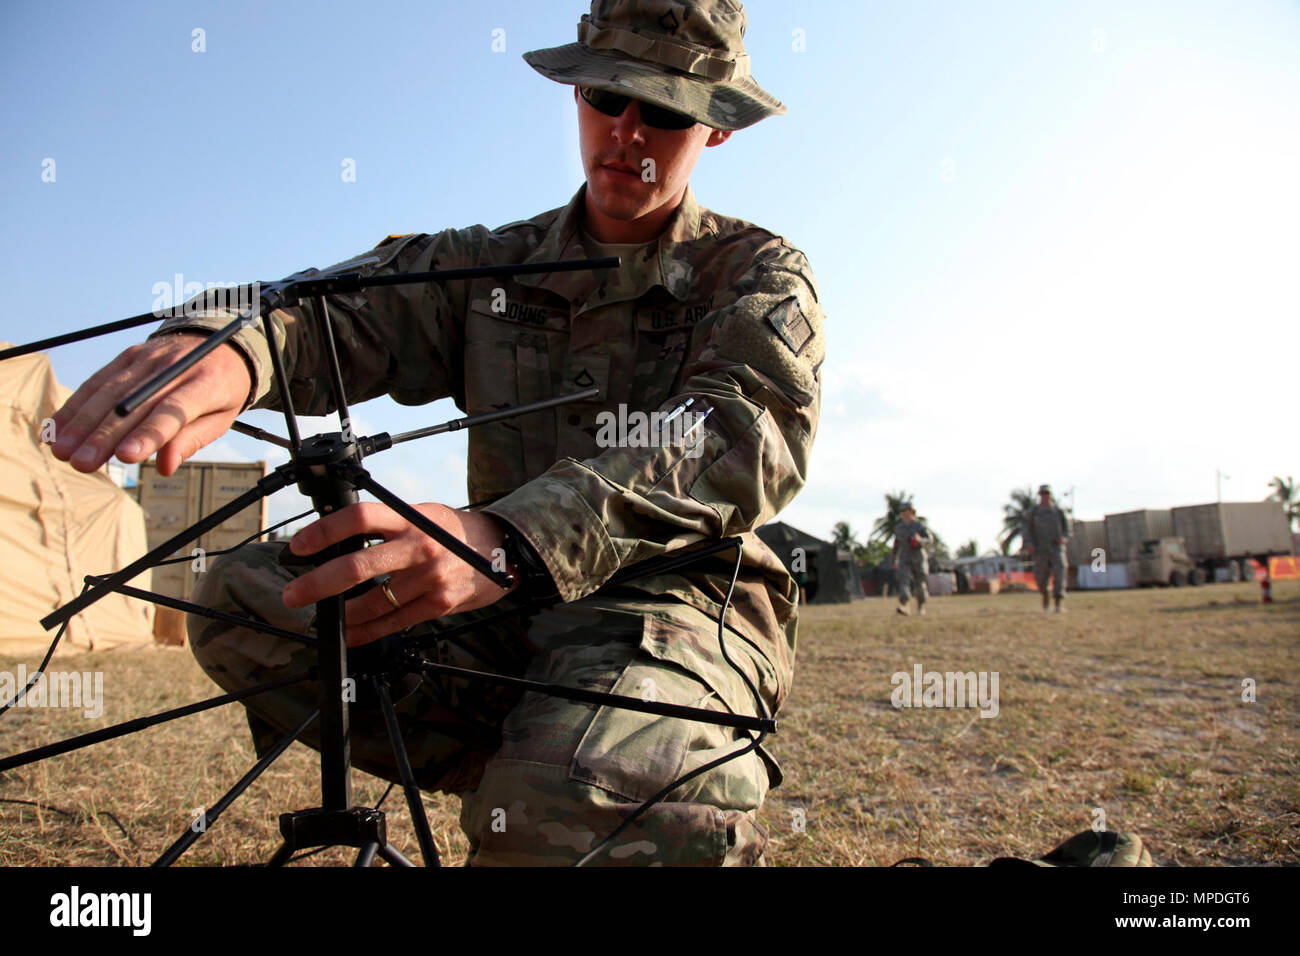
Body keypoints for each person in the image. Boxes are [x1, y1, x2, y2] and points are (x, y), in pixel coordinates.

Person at [46, 0, 823, 866]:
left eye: (667, 110)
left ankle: (592, 783)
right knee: (243, 602)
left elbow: (743, 430)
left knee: (583, 795)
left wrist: (507, 540)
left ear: (715, 128)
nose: (628, 130)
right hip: (494, 617)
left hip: (675, 613)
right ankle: (546, 763)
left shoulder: (757, 273)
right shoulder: (488, 263)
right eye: (606, 97)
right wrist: (232, 346)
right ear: (576, 96)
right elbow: (328, 309)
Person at [1023, 484, 1070, 612]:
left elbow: (1068, 529)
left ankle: (1058, 604)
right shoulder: (1033, 512)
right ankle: (1045, 597)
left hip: (1056, 548)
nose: (1045, 496)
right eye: (1043, 494)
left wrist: (1064, 538)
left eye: (1047, 493)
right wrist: (1029, 544)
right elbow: (1027, 530)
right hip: (1039, 549)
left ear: (1051, 495)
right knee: (1041, 577)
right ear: (1039, 495)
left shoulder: (1059, 512)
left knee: (1060, 574)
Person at [891, 502, 930, 616]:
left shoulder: (919, 526)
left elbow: (929, 540)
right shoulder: (899, 527)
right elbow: (896, 544)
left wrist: (920, 540)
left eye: (906, 510)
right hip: (905, 557)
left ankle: (920, 606)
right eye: (902, 511)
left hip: (919, 557)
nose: (903, 513)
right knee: (904, 580)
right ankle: (904, 605)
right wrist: (894, 559)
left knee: (920, 582)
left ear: (912, 512)